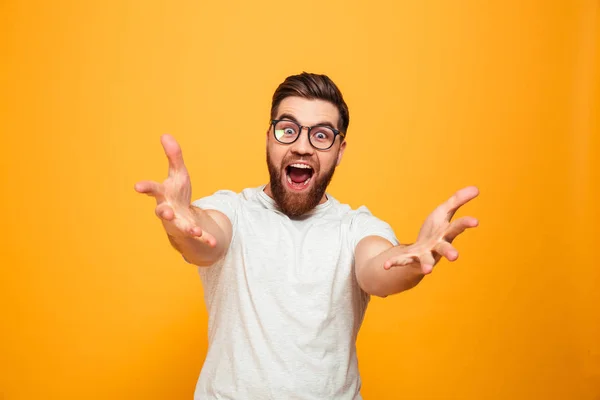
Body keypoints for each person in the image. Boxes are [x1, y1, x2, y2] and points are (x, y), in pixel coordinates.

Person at [134, 72, 479, 399]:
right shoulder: (233, 211)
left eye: (321, 135)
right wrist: (180, 221)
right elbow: (204, 242)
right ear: (269, 137)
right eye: (288, 130)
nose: (301, 147)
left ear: (340, 150)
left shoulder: (356, 227)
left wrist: (417, 257)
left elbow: (378, 272)